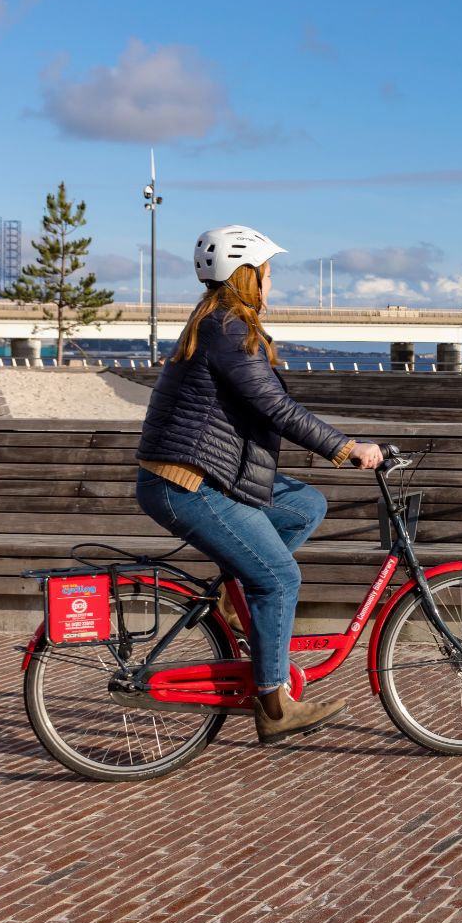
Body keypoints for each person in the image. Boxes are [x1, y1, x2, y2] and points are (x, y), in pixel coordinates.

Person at [134, 225, 385, 745]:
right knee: (278, 578)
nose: (273, 285)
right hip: (188, 483)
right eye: (268, 275)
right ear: (247, 278)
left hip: (206, 477)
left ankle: (234, 592)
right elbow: (275, 407)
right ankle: (273, 705)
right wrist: (346, 447)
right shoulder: (227, 330)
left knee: (305, 504)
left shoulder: (224, 325)